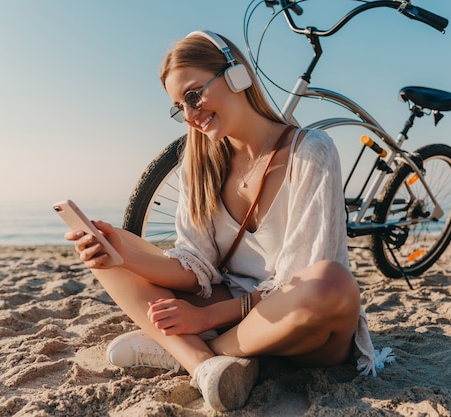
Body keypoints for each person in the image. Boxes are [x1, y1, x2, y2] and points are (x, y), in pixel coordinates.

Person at [65, 30, 390, 412]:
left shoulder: (311, 151)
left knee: (330, 282)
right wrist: (123, 257)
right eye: (178, 107)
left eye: (192, 95)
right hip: (233, 303)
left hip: (303, 325)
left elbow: (298, 279)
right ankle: (205, 366)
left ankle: (189, 352)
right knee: (108, 244)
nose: (189, 114)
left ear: (237, 75)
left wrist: (203, 318)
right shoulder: (199, 163)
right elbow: (196, 266)